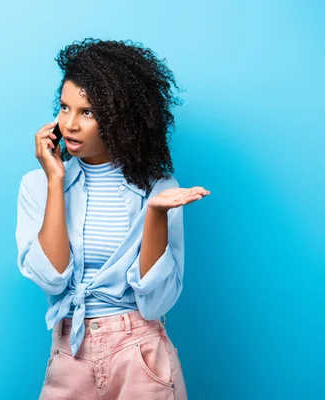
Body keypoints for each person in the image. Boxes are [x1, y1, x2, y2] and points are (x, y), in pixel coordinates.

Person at [15, 38, 210, 399]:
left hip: (139, 351)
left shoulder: (161, 189)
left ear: (121, 117)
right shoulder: (37, 185)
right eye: (64, 108)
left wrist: (155, 215)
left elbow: (157, 303)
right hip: (69, 351)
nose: (70, 124)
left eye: (87, 112)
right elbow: (52, 280)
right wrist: (55, 181)